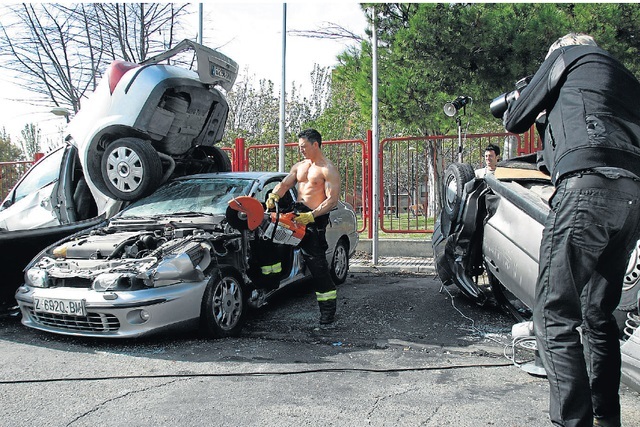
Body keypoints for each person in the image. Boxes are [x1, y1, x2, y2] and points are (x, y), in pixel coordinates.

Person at [503, 33, 640, 427]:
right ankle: (605, 418)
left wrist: (527, 93)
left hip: (587, 189)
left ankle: (572, 421)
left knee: (554, 314)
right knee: (598, 313)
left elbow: (515, 120)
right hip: (632, 195)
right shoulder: (624, 76)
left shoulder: (567, 55)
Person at [266, 128, 341, 324]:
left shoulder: (328, 169)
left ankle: (327, 313)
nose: (301, 150)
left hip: (313, 222)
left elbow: (332, 200)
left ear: (315, 144)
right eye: (299, 147)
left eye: (304, 146)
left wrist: (312, 216)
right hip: (294, 217)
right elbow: (283, 185)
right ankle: (269, 287)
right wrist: (274, 195)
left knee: (317, 267)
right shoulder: (299, 166)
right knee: (269, 242)